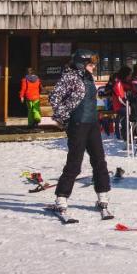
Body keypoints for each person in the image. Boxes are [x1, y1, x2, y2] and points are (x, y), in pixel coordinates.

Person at [50, 51, 112, 221]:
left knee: (99, 160)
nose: (94, 67)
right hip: (77, 124)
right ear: (80, 64)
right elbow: (54, 98)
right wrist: (64, 118)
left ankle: (102, 197)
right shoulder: (69, 77)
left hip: (92, 124)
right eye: (91, 64)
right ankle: (61, 199)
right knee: (75, 163)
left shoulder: (88, 77)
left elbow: (89, 98)